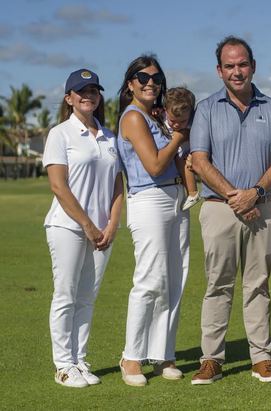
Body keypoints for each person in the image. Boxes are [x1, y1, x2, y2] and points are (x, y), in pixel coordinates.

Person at [190, 36, 271, 385]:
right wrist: (237, 197)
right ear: (220, 70)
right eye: (230, 66)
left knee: (258, 286)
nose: (237, 71)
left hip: (262, 209)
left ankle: (261, 358)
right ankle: (211, 359)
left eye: (243, 64)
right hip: (220, 210)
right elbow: (200, 161)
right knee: (217, 285)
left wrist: (255, 193)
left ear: (253, 66)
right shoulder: (206, 109)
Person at [43, 68, 123, 387]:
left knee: (87, 297)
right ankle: (63, 365)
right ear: (69, 98)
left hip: (103, 231)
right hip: (68, 227)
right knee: (66, 295)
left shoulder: (110, 136)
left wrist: (113, 224)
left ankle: (79, 360)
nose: (88, 96)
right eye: (81, 91)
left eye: (93, 90)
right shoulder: (60, 134)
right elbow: (59, 187)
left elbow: (118, 185)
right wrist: (88, 224)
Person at [116, 55, 190, 386]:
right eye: (143, 77)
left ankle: (163, 355)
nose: (151, 83)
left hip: (176, 199)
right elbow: (156, 165)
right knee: (149, 280)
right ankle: (131, 358)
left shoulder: (157, 117)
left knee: (175, 279)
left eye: (157, 78)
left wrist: (172, 128)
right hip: (150, 199)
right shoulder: (133, 118)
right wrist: (180, 134)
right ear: (130, 83)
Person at [163, 87, 200, 211]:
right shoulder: (160, 117)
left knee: (182, 160)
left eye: (183, 121)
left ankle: (193, 192)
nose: (177, 125)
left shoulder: (194, 121)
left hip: (187, 151)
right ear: (165, 111)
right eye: (172, 121)